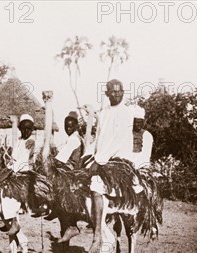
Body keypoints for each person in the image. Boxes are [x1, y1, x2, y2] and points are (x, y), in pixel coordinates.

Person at [59, 79, 144, 243]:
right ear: (107, 94)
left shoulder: (126, 113)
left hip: (118, 161)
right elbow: (99, 139)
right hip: (101, 158)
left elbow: (117, 140)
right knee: (72, 183)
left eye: (120, 91)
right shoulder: (103, 113)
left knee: (96, 187)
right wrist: (88, 156)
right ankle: (73, 224)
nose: (117, 94)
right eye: (113, 91)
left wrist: (98, 160)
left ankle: (97, 232)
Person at [0, 114, 36, 235]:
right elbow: (14, 158)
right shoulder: (19, 141)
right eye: (24, 128)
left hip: (25, 171)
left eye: (29, 129)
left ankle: (14, 221)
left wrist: (10, 170)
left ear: (32, 130)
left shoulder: (30, 142)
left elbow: (24, 160)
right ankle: (7, 218)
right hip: (16, 170)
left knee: (9, 190)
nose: (26, 131)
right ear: (20, 128)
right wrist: (9, 165)